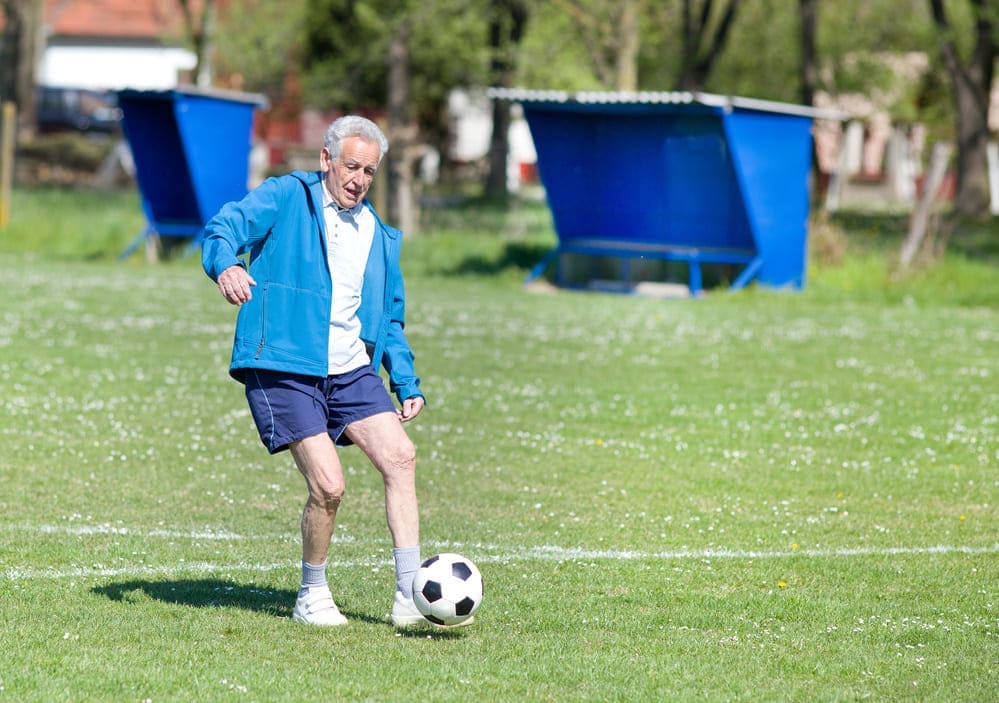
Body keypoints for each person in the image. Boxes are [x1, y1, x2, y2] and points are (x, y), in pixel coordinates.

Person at [201, 115, 436, 628]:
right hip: (284, 362)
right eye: (351, 166)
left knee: (400, 456)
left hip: (350, 368)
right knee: (329, 486)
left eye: (369, 171)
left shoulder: (379, 233)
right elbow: (224, 227)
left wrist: (405, 378)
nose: (359, 179)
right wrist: (227, 265)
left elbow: (388, 317)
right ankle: (311, 593)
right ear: (326, 159)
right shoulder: (286, 196)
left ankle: (410, 594)